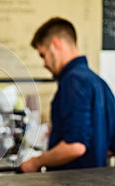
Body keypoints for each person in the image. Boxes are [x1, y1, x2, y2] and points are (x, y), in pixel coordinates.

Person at [21, 17, 115, 172]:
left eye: (43, 55)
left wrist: (36, 162)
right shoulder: (98, 82)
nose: (44, 63)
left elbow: (75, 146)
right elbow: (110, 145)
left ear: (56, 44)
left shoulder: (73, 81)